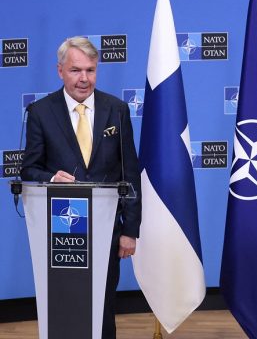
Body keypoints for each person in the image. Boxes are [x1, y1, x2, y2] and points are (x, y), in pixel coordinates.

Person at [21, 36, 141, 339]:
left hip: (107, 230)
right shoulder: (40, 112)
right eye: (76, 70)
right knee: (64, 308)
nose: (84, 79)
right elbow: (28, 169)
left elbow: (130, 173)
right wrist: (51, 179)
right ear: (60, 71)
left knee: (103, 308)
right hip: (62, 232)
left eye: (90, 70)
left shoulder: (117, 110)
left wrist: (130, 230)